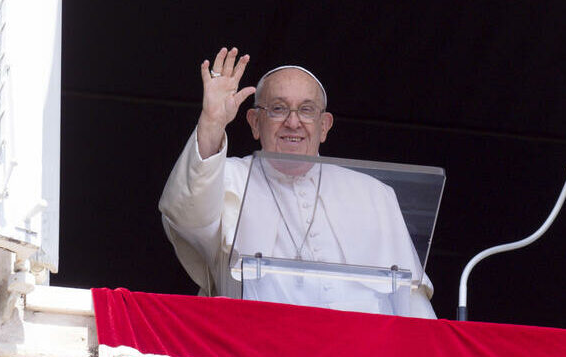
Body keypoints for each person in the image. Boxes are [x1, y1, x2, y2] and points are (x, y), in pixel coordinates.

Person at [159, 47, 436, 318]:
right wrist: (212, 123)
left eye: (306, 110)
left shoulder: (374, 195)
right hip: (262, 351)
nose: (293, 122)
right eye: (278, 109)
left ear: (324, 126)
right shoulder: (228, 177)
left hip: (362, 356)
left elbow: (410, 297)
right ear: (255, 122)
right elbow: (186, 215)